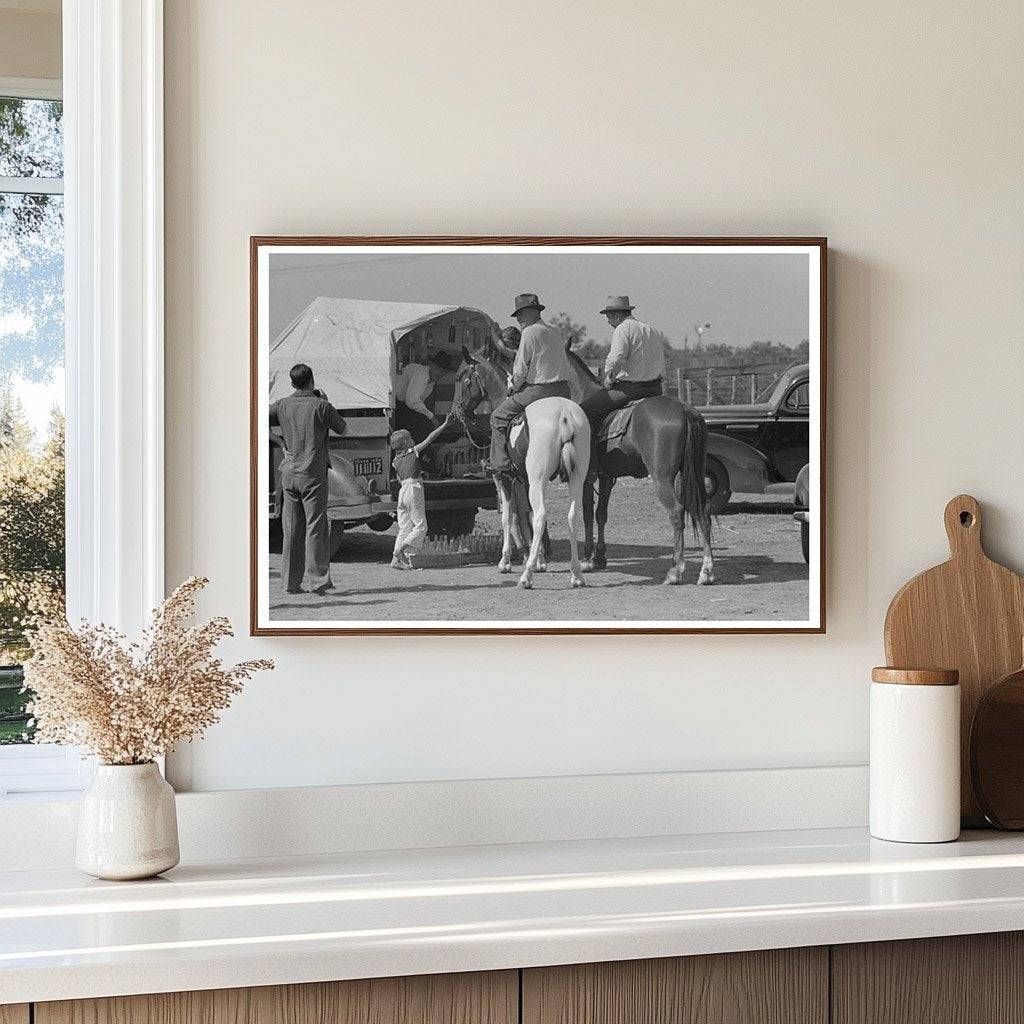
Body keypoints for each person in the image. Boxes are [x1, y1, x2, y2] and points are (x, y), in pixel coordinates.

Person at [269, 363, 346, 595]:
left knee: (291, 529)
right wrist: (326, 401)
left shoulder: (281, 405)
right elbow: (342, 427)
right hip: (312, 473)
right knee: (316, 527)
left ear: (292, 383)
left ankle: (290, 583)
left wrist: (280, 442)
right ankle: (318, 582)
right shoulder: (321, 406)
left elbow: (255, 418)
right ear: (311, 380)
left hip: (289, 473)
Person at [486, 293, 572, 475]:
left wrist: (514, 387)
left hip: (539, 391)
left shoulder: (530, 332)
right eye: (517, 315)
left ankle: (500, 465)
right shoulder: (555, 331)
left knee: (497, 417)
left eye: (521, 314)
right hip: (564, 392)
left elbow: (520, 369)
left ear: (534, 312)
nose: (518, 318)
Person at [579, 296, 667, 425]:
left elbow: (616, 359)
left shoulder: (622, 329)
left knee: (584, 411)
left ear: (617, 315)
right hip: (655, 389)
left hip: (630, 389)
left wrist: (609, 380)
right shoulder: (652, 330)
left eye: (609, 317)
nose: (609, 322)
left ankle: (592, 445)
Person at [389, 413, 455, 569]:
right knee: (421, 526)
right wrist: (445, 424)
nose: (413, 439)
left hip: (402, 491)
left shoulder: (395, 461)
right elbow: (431, 438)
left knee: (404, 527)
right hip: (413, 489)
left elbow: (400, 479)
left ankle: (395, 561)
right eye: (410, 438)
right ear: (406, 442)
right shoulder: (413, 451)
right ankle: (400, 551)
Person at [394, 350, 453, 442]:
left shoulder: (431, 383)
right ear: (432, 366)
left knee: (424, 423)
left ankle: (417, 450)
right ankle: (417, 451)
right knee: (425, 423)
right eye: (439, 369)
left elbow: (417, 404)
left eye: (444, 372)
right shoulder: (421, 373)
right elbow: (412, 401)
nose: (440, 374)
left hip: (404, 407)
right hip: (395, 405)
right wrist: (431, 416)